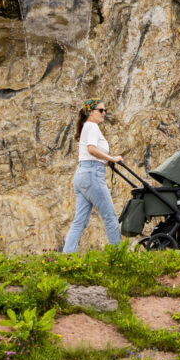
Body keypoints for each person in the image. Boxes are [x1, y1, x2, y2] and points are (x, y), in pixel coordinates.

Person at [62, 98, 122, 253]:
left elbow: (89, 154)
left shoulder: (86, 127)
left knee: (79, 221)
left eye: (105, 110)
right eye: (101, 110)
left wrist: (104, 162)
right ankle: (119, 256)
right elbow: (91, 149)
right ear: (90, 112)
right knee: (110, 217)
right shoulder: (92, 127)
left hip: (82, 175)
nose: (104, 113)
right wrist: (111, 158)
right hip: (92, 176)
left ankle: (67, 255)